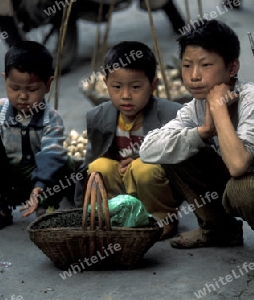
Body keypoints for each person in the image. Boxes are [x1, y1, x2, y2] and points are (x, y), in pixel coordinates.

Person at [140, 19, 254, 279]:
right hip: (251, 181)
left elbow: (238, 165)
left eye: (205, 65)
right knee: (178, 147)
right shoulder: (196, 106)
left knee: (241, 188)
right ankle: (218, 229)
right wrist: (203, 131)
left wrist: (220, 113)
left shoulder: (251, 97)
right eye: (187, 65)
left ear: (232, 67)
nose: (194, 75)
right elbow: (148, 151)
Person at [74, 41, 182, 239]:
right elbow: (87, 162)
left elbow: (182, 155)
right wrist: (79, 207)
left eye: (135, 87)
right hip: (120, 179)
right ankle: (119, 215)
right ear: (106, 83)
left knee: (143, 168)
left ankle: (161, 220)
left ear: (153, 86)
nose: (125, 96)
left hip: (153, 183)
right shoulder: (99, 116)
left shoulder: (170, 114)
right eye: (116, 87)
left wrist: (142, 158)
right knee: (99, 166)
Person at [0, 41, 74, 232]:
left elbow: (51, 155)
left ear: (48, 85)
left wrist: (40, 188)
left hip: (38, 176)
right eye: (15, 88)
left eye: (31, 90)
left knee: (65, 163)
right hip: (5, 175)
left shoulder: (51, 118)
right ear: (5, 79)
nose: (22, 96)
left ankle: (45, 206)